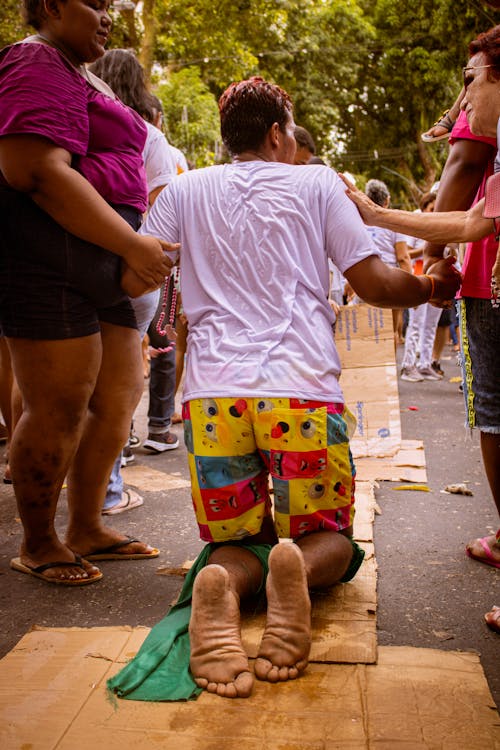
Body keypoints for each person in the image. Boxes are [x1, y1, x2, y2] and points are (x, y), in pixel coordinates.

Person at [108, 76, 460, 702]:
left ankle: (228, 581)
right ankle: (289, 571)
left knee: (233, 539)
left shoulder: (184, 191)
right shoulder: (320, 183)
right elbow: (376, 284)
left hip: (212, 399)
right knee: (328, 539)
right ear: (277, 132)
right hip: (297, 392)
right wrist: (433, 289)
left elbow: (139, 274)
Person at [0, 0, 176, 584]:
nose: (106, 15)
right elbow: (36, 170)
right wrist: (131, 245)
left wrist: (127, 247)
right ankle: (39, 540)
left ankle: (85, 527)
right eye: (93, 3)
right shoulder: (34, 60)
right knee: (60, 404)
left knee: (118, 396)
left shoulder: (79, 70)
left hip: (99, 260)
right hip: (49, 256)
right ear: (50, 5)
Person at [340, 25, 500, 634]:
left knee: (495, 411)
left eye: (471, 79)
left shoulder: (486, 120)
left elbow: (473, 216)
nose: (463, 97)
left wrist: (421, 262)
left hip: (491, 284)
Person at [87, 49, 180, 513]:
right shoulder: (150, 136)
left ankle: (77, 487)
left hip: (77, 266)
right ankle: (108, 491)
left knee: (73, 388)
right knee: (120, 388)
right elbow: (159, 220)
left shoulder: (78, 122)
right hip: (132, 274)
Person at [400, 191, 444, 382]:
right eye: (432, 209)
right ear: (424, 207)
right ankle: (407, 365)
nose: (434, 213)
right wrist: (429, 246)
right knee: (416, 324)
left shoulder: (440, 223)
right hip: (419, 278)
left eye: (437, 210)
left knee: (430, 325)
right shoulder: (416, 221)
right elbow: (407, 253)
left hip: (436, 281)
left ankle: (425, 364)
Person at [363, 179, 412, 347]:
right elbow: (403, 258)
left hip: (363, 281)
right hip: (388, 281)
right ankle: (388, 370)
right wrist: (412, 289)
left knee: (367, 337)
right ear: (387, 200)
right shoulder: (394, 221)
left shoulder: (359, 220)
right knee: (391, 335)